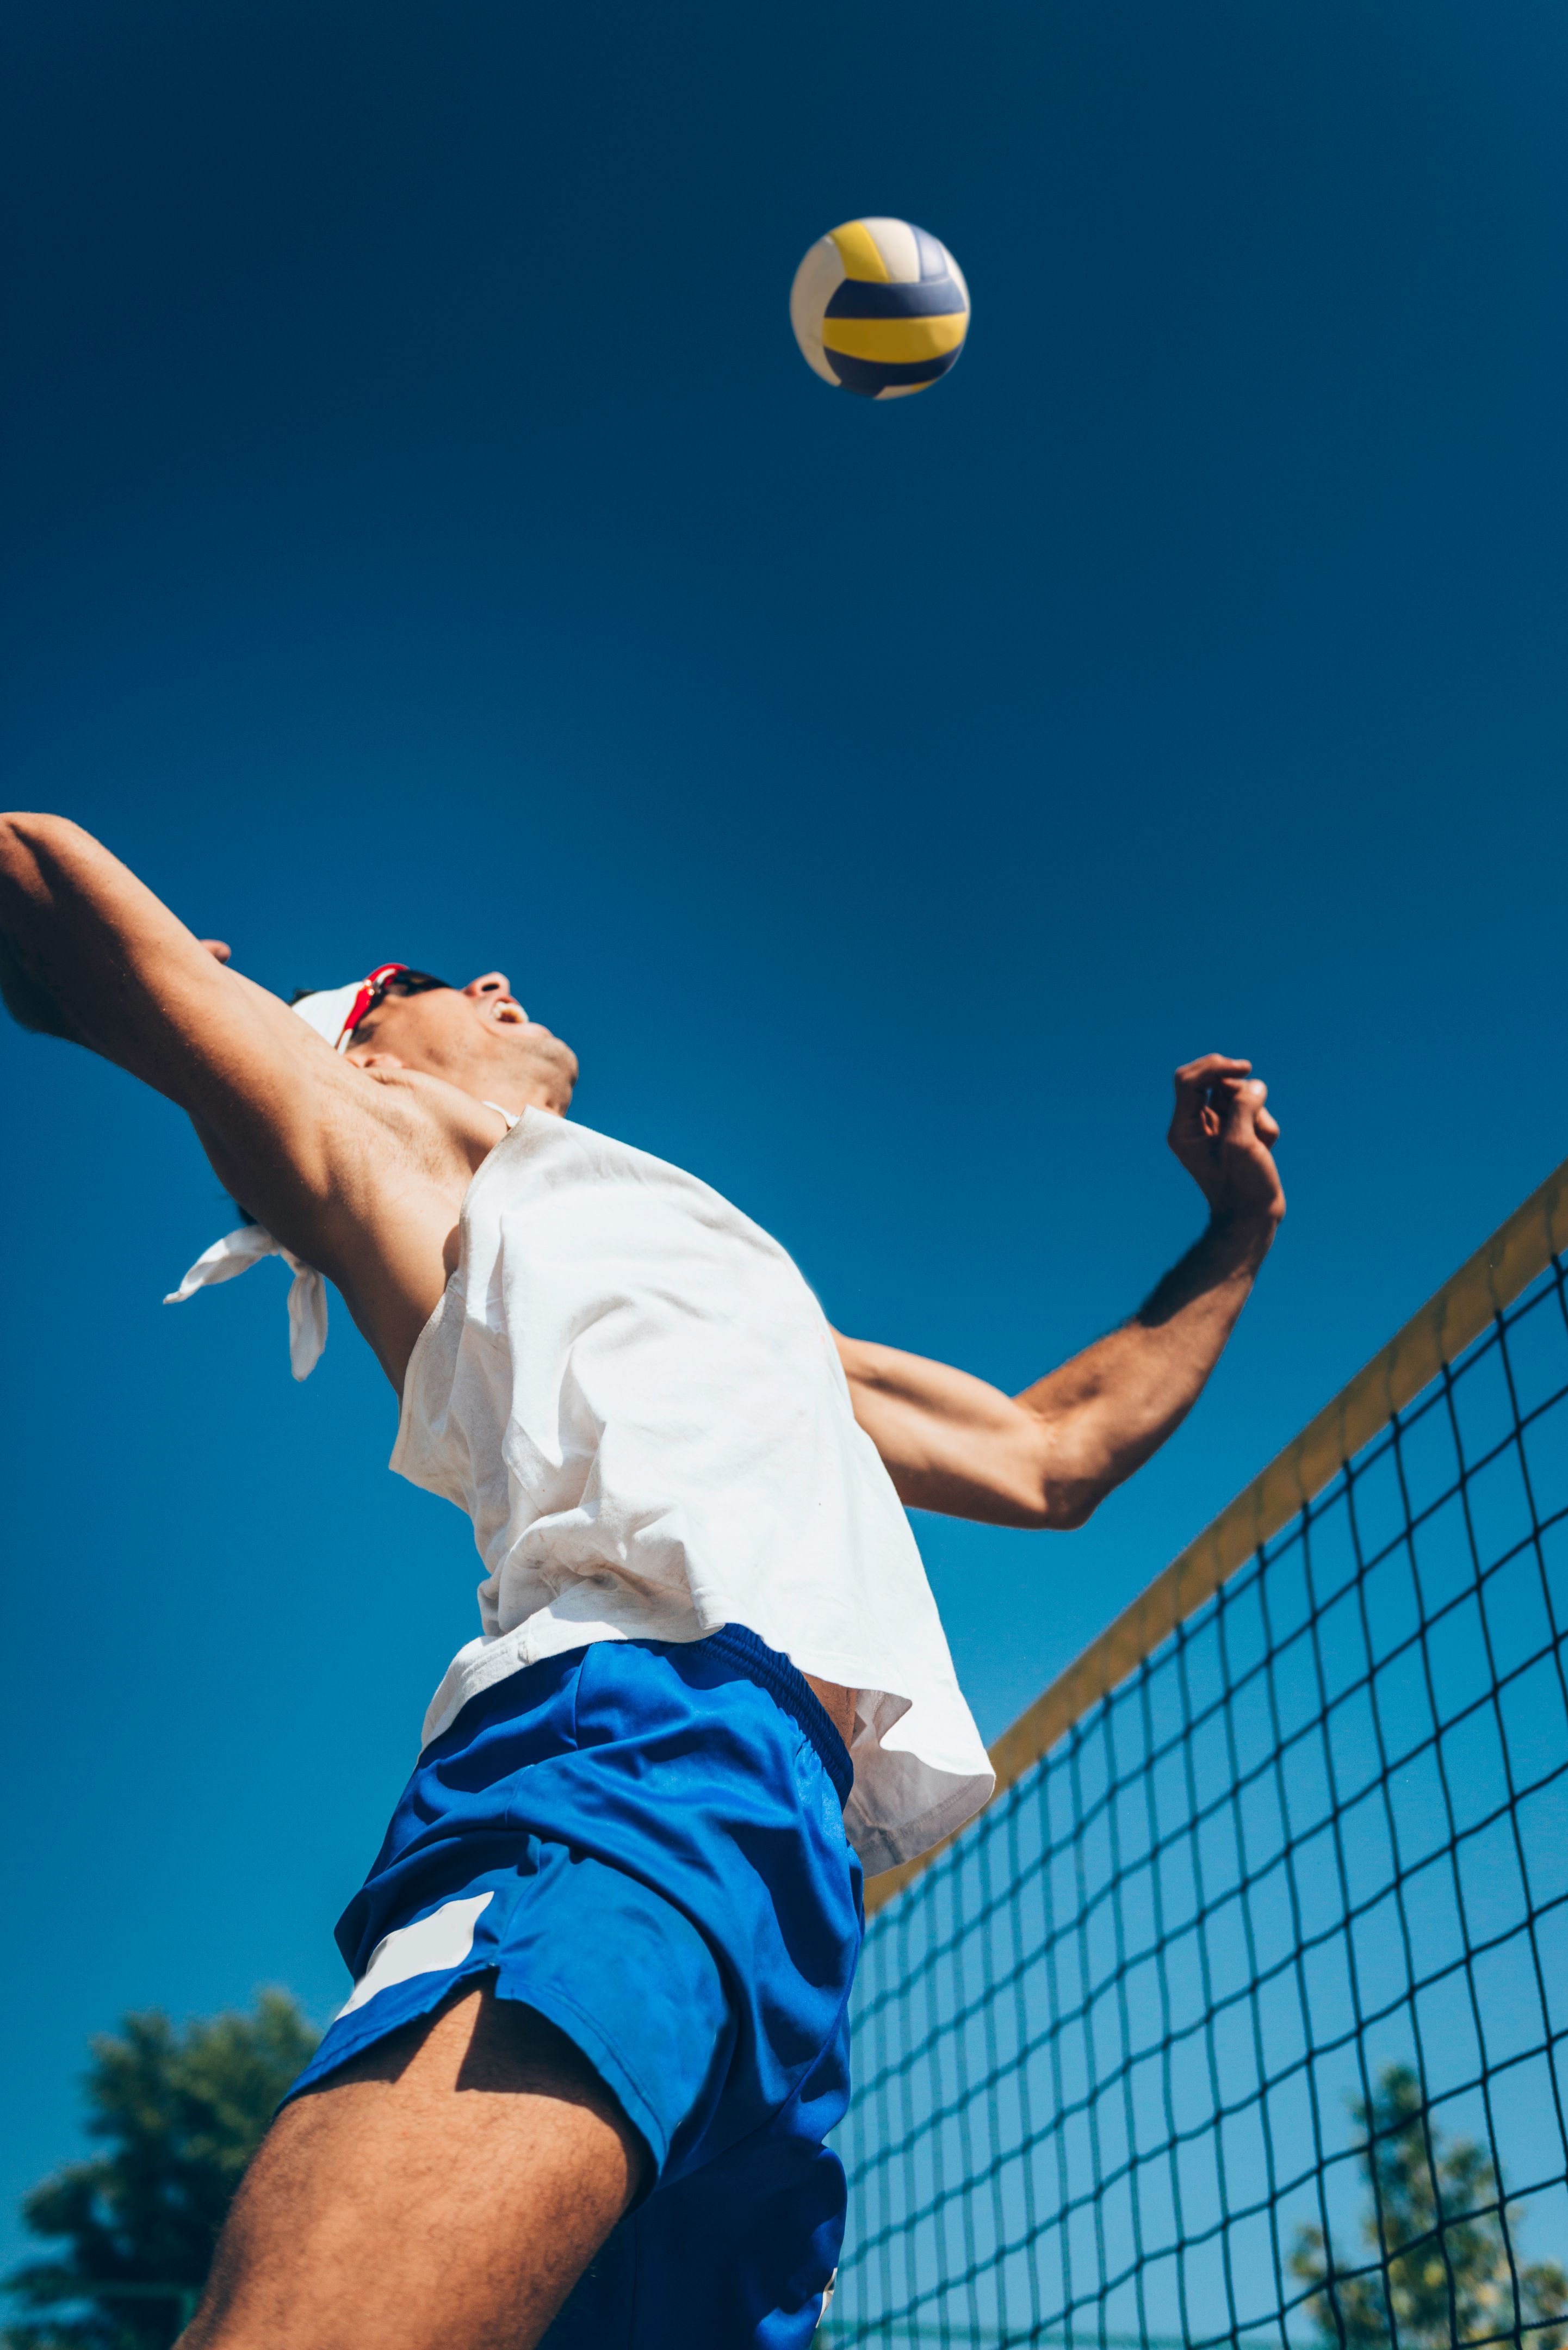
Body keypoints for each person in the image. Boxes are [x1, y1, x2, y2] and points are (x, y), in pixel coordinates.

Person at [0, 811, 1286, 2350]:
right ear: (356, 1047)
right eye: (427, 978)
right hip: (634, 1748)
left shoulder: (695, 1273)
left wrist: (1239, 1227)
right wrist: (113, 980)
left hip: (794, 1873)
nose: (492, 980)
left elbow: (1046, 1453)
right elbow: (42, 874)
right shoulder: (385, 1142)